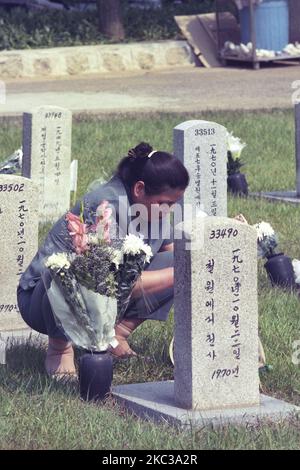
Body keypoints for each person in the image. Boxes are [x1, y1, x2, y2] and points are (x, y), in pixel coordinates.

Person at [17, 142, 190, 378]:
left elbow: (174, 253)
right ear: (139, 189)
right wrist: (182, 273)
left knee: (186, 260)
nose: (169, 210)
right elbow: (108, 279)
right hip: (42, 299)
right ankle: (59, 349)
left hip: (108, 299)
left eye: (174, 204)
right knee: (68, 271)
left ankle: (117, 335)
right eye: (166, 203)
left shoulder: (154, 208)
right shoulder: (104, 206)